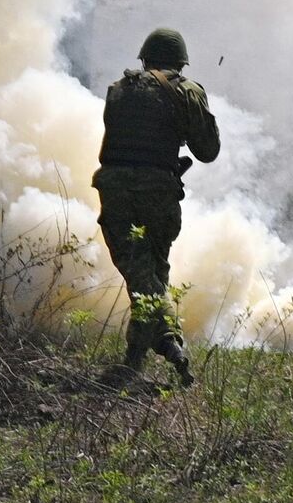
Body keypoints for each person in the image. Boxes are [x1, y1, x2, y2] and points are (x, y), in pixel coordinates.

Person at [93, 28, 220, 385]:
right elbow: (207, 151)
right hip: (157, 193)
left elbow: (116, 140)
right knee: (150, 274)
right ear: (180, 62)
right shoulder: (186, 90)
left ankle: (135, 360)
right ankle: (168, 342)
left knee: (141, 273)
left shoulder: (119, 90)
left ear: (145, 59)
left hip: (114, 189)